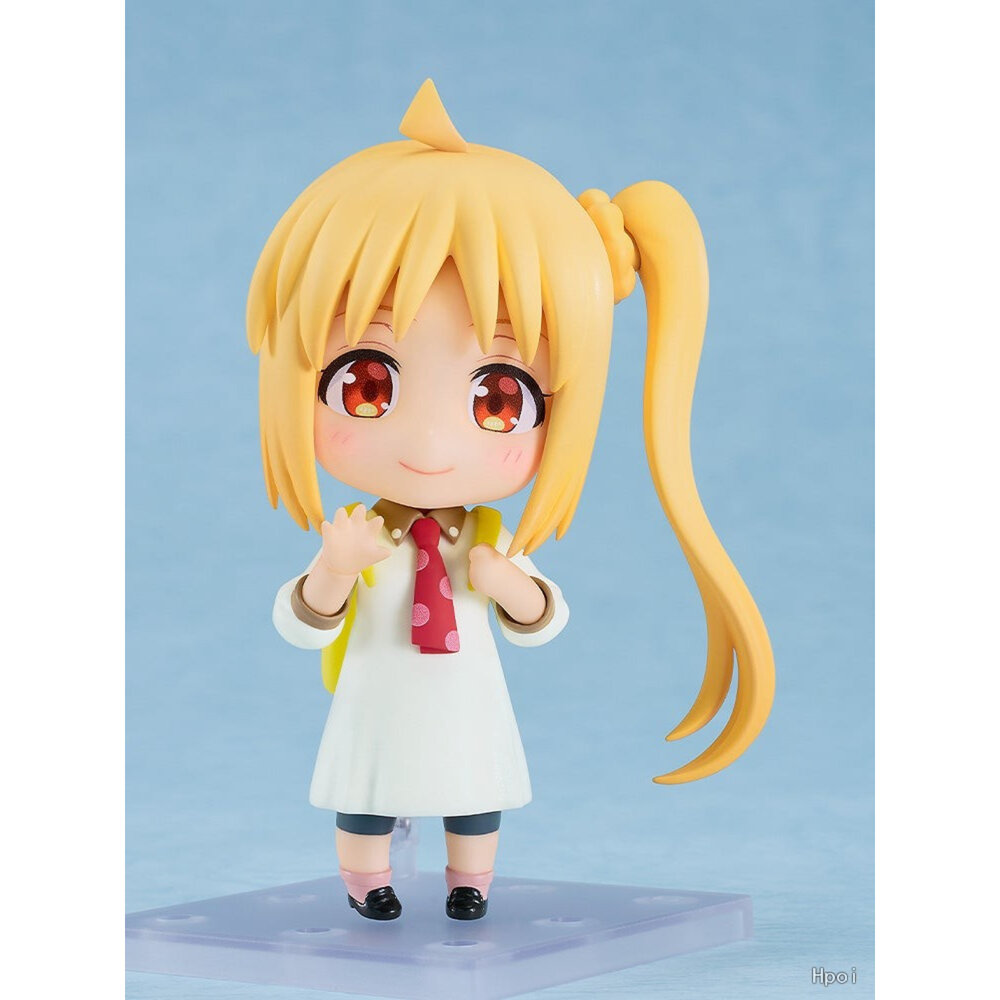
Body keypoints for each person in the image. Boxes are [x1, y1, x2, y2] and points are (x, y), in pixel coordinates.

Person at [246, 79, 774, 922]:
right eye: (367, 384)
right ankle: (367, 880)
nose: (430, 445)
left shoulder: (484, 542)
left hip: (468, 701)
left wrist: (509, 586)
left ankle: (470, 882)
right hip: (377, 698)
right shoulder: (357, 533)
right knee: (366, 791)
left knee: (474, 790)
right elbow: (301, 624)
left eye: (497, 399)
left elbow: (542, 622)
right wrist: (334, 572)